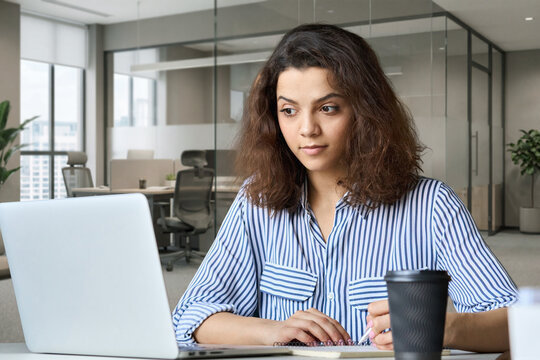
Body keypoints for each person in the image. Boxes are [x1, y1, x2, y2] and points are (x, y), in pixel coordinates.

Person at [172, 23, 517, 352]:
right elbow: (190, 316)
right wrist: (272, 330)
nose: (307, 129)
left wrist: (445, 327)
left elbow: (515, 321)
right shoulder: (256, 200)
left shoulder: (431, 205)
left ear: (366, 111)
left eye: (328, 108)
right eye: (289, 110)